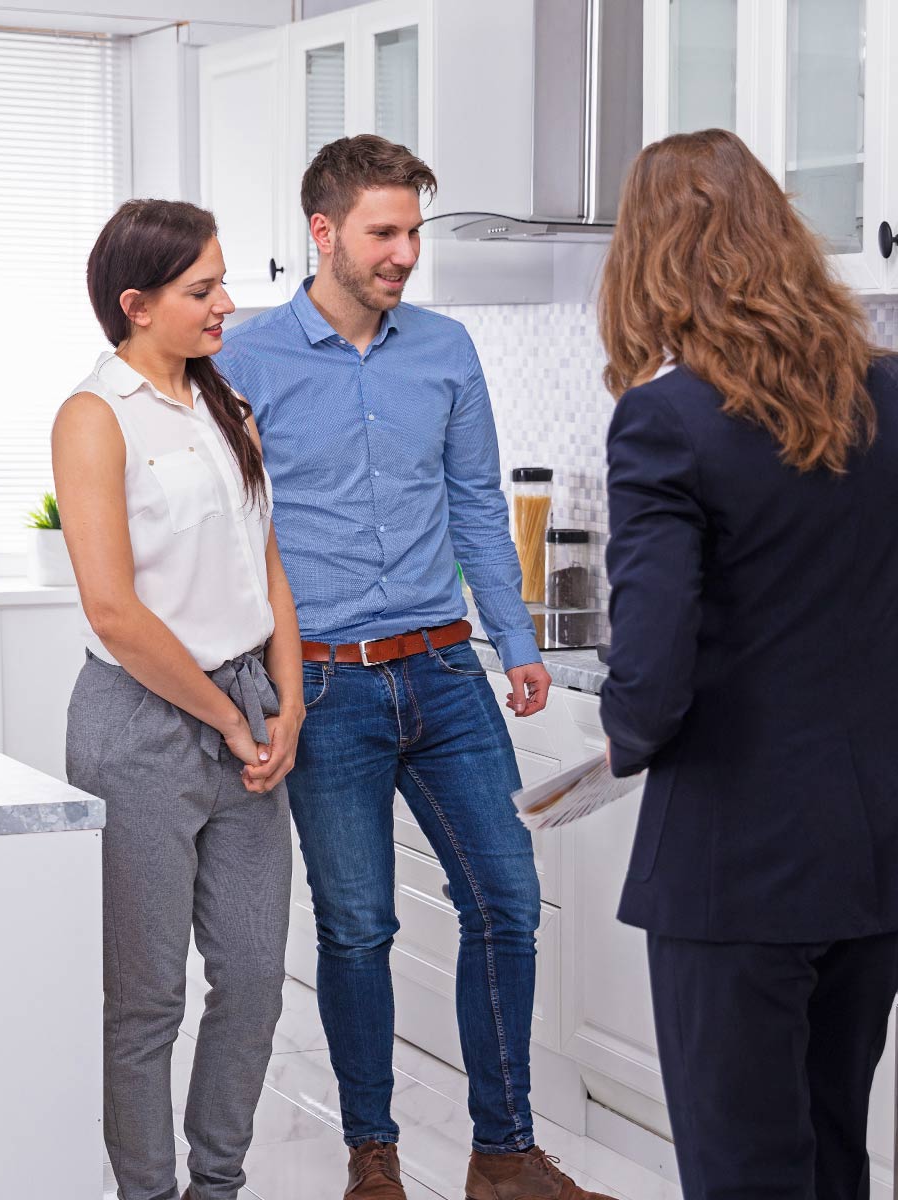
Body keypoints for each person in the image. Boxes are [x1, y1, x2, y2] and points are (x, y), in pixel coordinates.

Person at [596, 129, 898, 1200]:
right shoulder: (895, 396)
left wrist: (616, 740)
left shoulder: (664, 423)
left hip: (737, 868)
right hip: (875, 854)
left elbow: (650, 685)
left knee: (746, 1173)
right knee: (835, 1154)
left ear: (651, 259)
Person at [214, 135, 608, 1200]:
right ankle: (372, 1157)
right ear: (324, 232)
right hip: (326, 687)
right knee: (357, 926)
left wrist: (517, 641)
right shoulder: (244, 361)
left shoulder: (445, 348)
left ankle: (505, 1153)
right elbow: (225, 528)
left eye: (413, 233)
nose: (403, 254)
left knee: (507, 902)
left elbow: (477, 502)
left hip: (444, 671)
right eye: (384, 233)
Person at [55, 199, 304, 1200]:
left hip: (248, 706)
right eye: (203, 289)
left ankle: (219, 1186)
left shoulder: (225, 406)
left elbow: (267, 562)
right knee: (148, 1000)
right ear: (136, 302)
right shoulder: (93, 418)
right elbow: (115, 611)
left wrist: (287, 704)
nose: (227, 304)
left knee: (250, 982)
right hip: (143, 720)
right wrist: (231, 717)